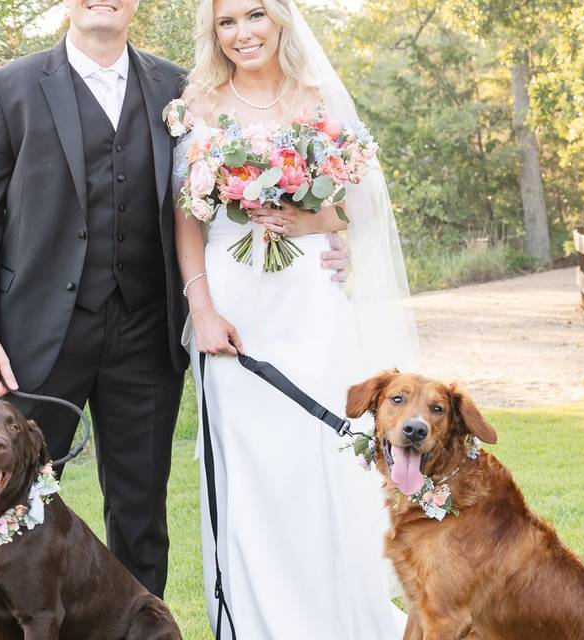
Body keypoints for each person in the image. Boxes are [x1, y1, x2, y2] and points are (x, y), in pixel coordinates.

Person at [0, 0, 349, 637]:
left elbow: (212, 199)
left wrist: (319, 228)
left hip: (145, 335)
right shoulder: (7, 90)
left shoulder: (178, 89)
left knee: (139, 512)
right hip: (34, 340)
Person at [173, 0, 420, 637]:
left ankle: (337, 617)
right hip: (233, 300)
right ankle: (258, 622)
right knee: (246, 462)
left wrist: (309, 222)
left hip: (309, 296)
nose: (242, 33)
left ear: (280, 19)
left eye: (254, 15)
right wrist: (201, 309)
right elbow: (187, 221)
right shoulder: (199, 105)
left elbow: (356, 207)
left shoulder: (317, 100)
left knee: (322, 451)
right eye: (226, 22)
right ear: (214, 33)